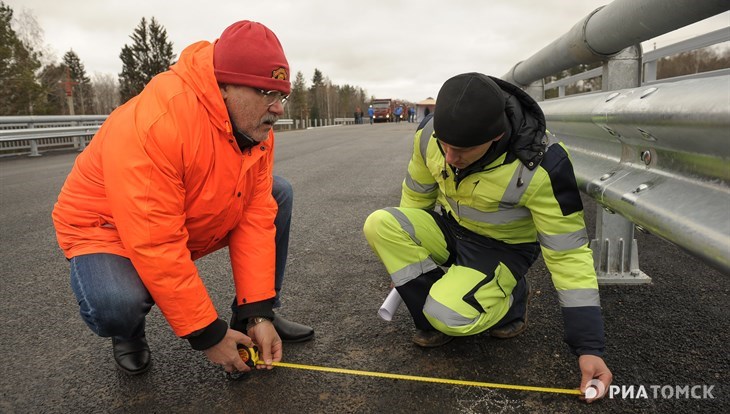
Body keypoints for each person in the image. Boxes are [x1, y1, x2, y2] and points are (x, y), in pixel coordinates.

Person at [52, 20, 314, 377]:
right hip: (106, 228)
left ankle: (250, 316)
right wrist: (208, 334)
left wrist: (258, 311)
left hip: (175, 216)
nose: (278, 108)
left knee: (276, 192)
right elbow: (154, 239)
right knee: (116, 303)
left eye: (281, 95)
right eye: (265, 93)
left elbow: (255, 214)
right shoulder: (159, 122)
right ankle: (127, 332)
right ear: (224, 86)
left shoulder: (254, 129)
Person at [363, 72, 612, 402]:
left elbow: (569, 254)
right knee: (380, 223)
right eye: (445, 144)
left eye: (463, 149)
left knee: (447, 315)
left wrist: (588, 345)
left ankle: (510, 302)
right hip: (451, 230)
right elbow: (416, 199)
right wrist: (405, 255)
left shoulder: (543, 165)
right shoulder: (428, 135)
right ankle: (440, 308)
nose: (450, 157)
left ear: (496, 136)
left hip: (501, 251)